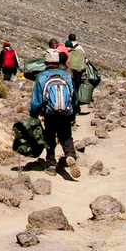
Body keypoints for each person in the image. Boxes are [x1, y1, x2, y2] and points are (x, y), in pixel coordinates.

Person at [30, 49, 80, 178]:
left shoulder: (42, 76)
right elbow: (73, 96)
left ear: (46, 62)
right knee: (66, 134)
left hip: (49, 112)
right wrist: (74, 112)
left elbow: (36, 99)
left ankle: (51, 164)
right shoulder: (66, 75)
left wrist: (34, 113)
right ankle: (70, 155)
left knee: (50, 136)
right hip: (66, 111)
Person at [66, 34, 88, 115]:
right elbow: (85, 59)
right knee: (76, 89)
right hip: (78, 73)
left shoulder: (66, 48)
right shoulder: (80, 48)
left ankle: (70, 106)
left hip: (69, 72)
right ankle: (76, 107)